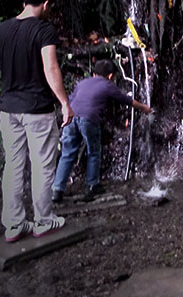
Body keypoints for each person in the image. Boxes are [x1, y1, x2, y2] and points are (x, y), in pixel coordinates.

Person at [0, 0, 73, 242]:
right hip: (37, 110)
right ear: (45, 4)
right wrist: (65, 102)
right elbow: (51, 68)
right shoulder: (44, 30)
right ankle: (43, 221)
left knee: (12, 166)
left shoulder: (2, 29)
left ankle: (14, 225)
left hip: (9, 110)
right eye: (50, 6)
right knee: (42, 166)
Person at [52, 59, 152, 202]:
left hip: (71, 117)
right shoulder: (108, 86)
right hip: (89, 119)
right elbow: (126, 100)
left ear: (94, 73)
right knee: (94, 152)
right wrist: (144, 108)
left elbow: (70, 100)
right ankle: (92, 186)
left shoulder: (82, 83)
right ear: (110, 76)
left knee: (67, 153)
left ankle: (57, 190)